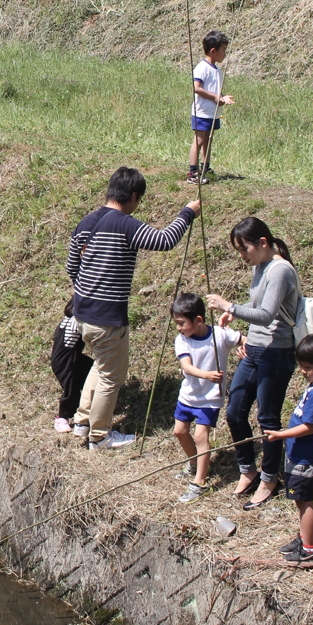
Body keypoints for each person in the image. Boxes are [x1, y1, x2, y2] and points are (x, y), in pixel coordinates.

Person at [67, 168, 199, 450]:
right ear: (134, 196)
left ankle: (81, 422)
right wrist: (187, 213)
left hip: (82, 314)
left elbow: (71, 268)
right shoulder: (125, 224)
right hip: (107, 318)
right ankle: (100, 436)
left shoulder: (86, 222)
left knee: (101, 366)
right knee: (111, 376)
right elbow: (165, 240)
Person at [207, 217, 301, 506]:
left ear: (262, 243)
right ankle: (247, 470)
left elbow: (268, 314)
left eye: (243, 248)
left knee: (267, 418)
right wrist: (237, 313)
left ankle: (270, 477)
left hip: (277, 352)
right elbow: (258, 307)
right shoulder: (260, 266)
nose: (242, 255)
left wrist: (228, 305)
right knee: (235, 410)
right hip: (255, 348)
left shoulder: (280, 270)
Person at [266, 333, 313, 565]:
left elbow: (309, 427)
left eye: (308, 367)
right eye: (301, 366)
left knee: (304, 501)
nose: (303, 371)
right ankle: (304, 536)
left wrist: (280, 435)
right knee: (300, 500)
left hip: (306, 458)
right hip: (299, 454)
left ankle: (309, 548)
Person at [171, 292, 243, 502]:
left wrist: (245, 347)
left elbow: (241, 339)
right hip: (188, 396)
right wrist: (207, 375)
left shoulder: (220, 334)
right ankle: (195, 462)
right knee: (180, 432)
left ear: (199, 320)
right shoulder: (182, 340)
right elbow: (187, 366)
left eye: (181, 323)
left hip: (210, 399)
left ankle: (200, 482)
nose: (178, 328)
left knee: (201, 437)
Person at [188, 29, 234, 183]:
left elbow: (214, 90)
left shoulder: (216, 69)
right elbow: (197, 88)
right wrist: (216, 97)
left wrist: (222, 97)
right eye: (223, 50)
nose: (225, 54)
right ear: (213, 51)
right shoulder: (203, 67)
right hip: (202, 112)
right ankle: (192, 173)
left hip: (211, 113)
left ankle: (205, 167)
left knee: (208, 139)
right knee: (199, 140)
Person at [51, 300, 94, 434]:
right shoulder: (76, 321)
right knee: (71, 388)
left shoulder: (67, 320)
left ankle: (92, 404)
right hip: (65, 361)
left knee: (91, 372)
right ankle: (62, 417)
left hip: (73, 357)